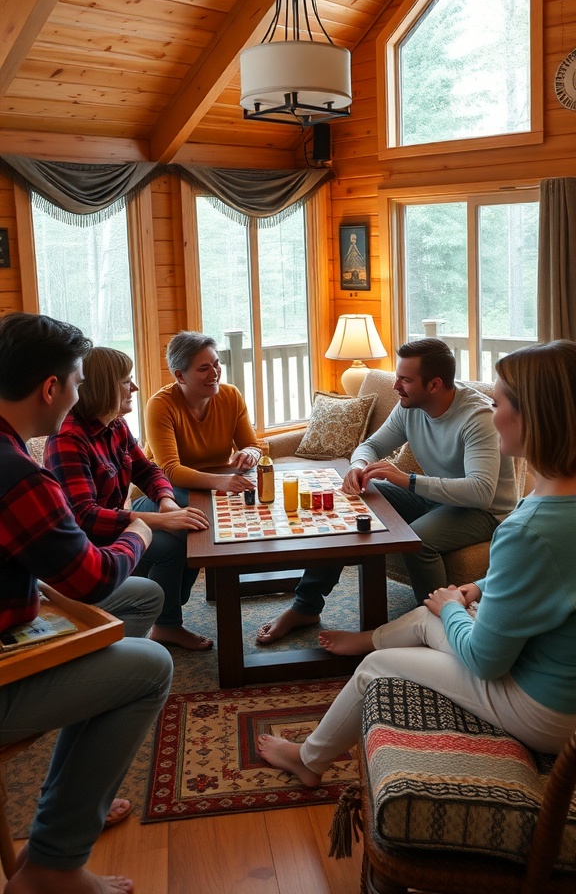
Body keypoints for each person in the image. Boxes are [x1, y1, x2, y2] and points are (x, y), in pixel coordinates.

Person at [257, 340, 576, 785]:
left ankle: (309, 762)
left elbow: (486, 661)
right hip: (556, 686)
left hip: (543, 710)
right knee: (417, 599)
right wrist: (479, 587)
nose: (493, 411)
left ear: (532, 418)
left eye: (500, 403)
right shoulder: (551, 507)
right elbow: (554, 571)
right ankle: (321, 611)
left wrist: (451, 607)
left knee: (378, 666)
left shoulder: (524, 526)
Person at [0, 312, 174, 894]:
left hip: (21, 620)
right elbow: (91, 580)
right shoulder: (18, 474)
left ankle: (73, 796)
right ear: (51, 387)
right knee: (150, 667)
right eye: (75, 382)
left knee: (141, 598)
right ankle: (51, 867)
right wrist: (141, 530)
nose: (77, 395)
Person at [256, 338, 517, 644]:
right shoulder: (410, 406)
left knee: (418, 540)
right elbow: (371, 446)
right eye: (396, 377)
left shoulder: (478, 418)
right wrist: (358, 466)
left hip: (483, 511)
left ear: (434, 384)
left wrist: (407, 480)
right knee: (352, 498)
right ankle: (305, 606)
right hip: (435, 497)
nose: (395, 386)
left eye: (405, 380)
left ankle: (434, 626)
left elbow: (480, 491)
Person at [44, 347, 213, 653]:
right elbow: (85, 516)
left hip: (116, 528)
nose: (133, 387)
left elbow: (147, 470)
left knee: (186, 529)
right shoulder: (67, 439)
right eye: (126, 381)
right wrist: (160, 520)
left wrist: (166, 500)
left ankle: (167, 615)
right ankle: (166, 623)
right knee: (171, 547)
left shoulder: (116, 424)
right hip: (87, 548)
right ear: (104, 388)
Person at [145, 330, 261, 494]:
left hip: (221, 479)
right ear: (180, 376)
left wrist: (250, 454)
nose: (214, 373)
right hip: (171, 487)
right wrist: (219, 482)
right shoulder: (160, 405)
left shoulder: (231, 395)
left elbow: (252, 446)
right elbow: (170, 470)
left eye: (216, 364)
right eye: (204, 368)